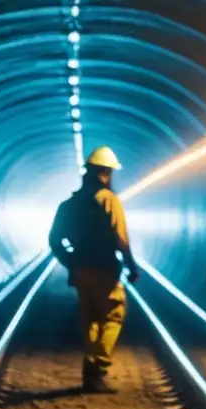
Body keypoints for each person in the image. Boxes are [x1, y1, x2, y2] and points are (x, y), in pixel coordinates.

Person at [48, 146, 140, 393]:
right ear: (106, 173)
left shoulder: (69, 204)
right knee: (112, 314)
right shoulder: (109, 200)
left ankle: (90, 371)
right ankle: (97, 368)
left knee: (89, 319)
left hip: (80, 269)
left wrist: (70, 261)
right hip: (105, 268)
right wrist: (131, 266)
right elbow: (121, 238)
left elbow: (55, 239)